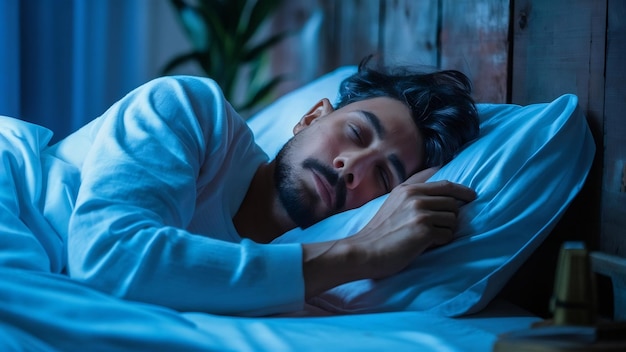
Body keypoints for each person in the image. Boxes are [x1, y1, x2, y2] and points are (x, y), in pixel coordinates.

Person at [2, 57, 479, 316]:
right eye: (355, 133)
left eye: (384, 175)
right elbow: (109, 256)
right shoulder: (189, 109)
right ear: (311, 117)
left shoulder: (303, 291)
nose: (349, 166)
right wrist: (364, 252)